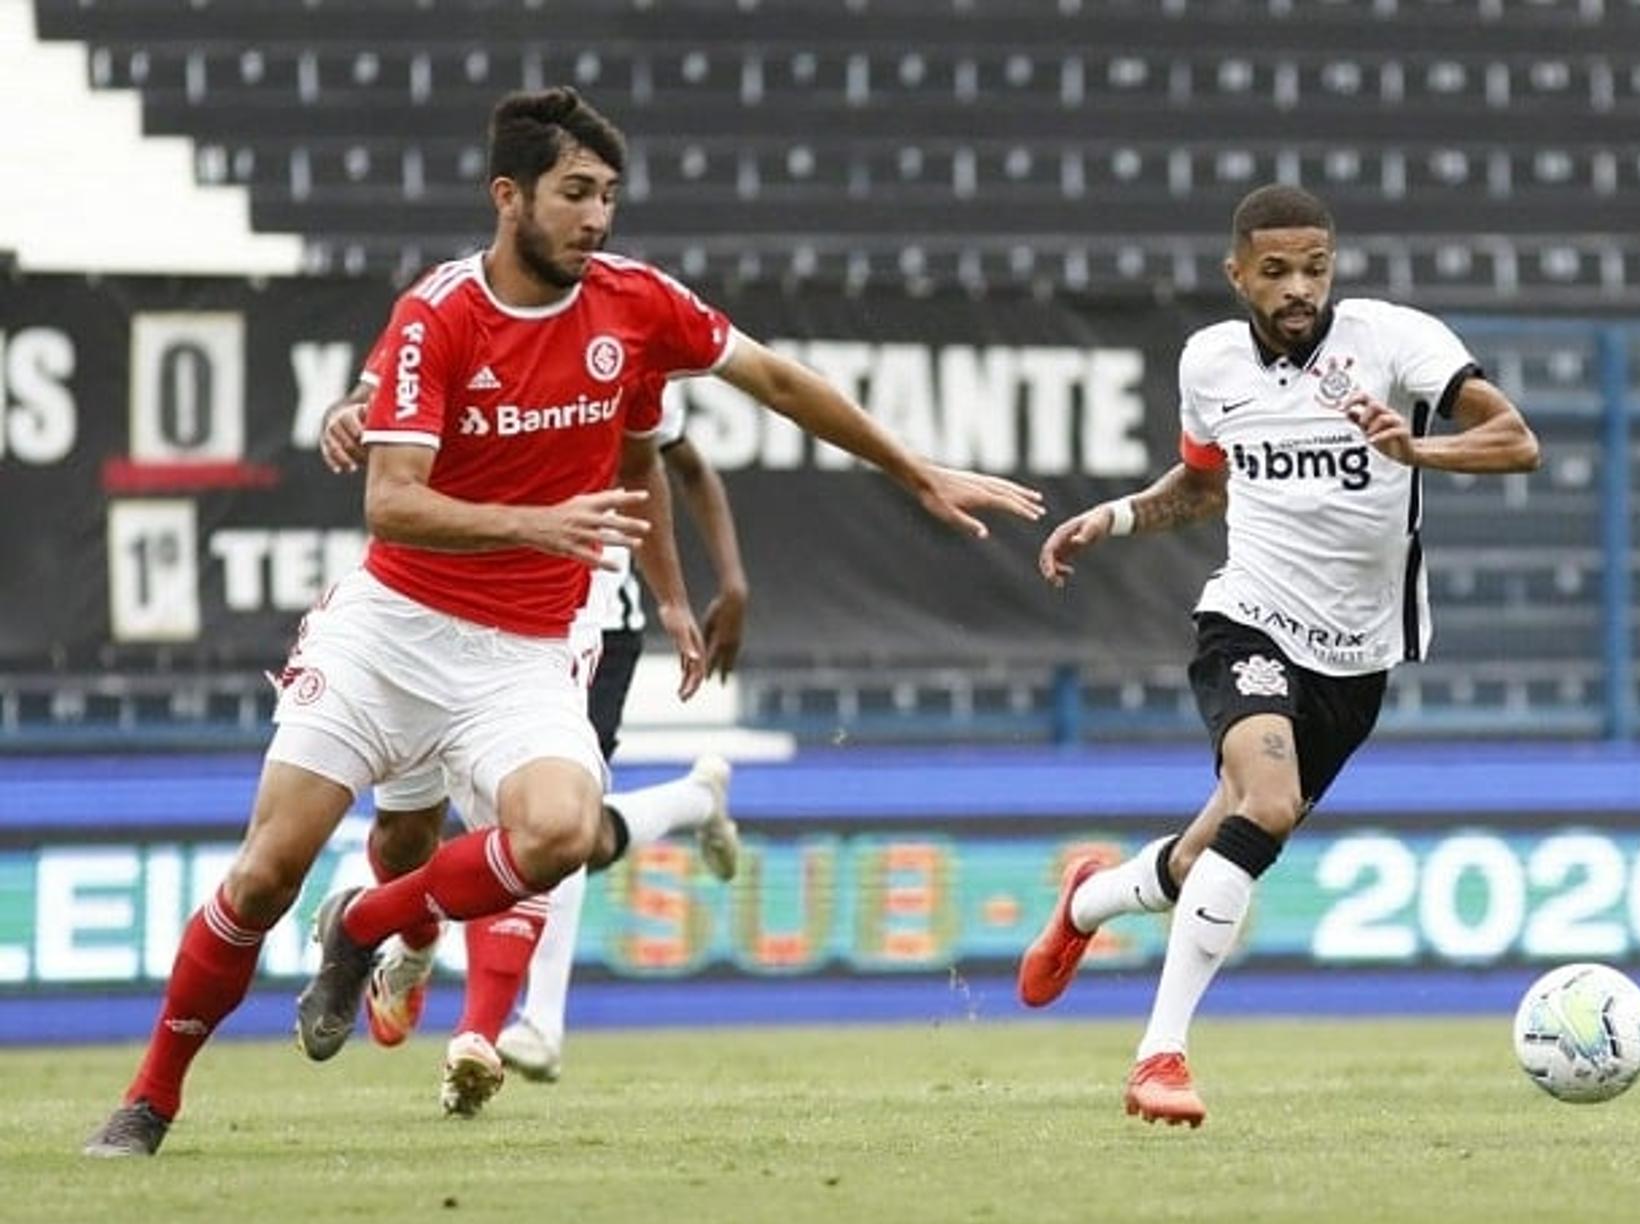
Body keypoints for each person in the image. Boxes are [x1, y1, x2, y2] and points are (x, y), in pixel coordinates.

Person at [83, 85, 1042, 1157]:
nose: (597, 217)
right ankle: (150, 1098)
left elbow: (776, 379)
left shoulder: (636, 303)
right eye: (575, 193)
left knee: (561, 832)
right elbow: (390, 500)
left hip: (523, 652)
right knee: (264, 874)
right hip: (390, 634)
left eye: (608, 196)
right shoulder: (439, 313)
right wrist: (534, 521)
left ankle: (363, 925)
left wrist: (914, 473)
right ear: (509, 196)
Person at [1016, 184, 1539, 1128]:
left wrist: (1419, 451)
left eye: (1315, 268)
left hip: (1360, 653)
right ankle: (1159, 1055)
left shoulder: (1392, 341)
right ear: (1237, 275)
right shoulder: (1210, 361)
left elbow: (1516, 440)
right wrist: (1120, 514)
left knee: (1215, 842)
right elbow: (1204, 483)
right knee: (1267, 803)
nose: (1299, 287)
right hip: (1249, 617)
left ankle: (1090, 900)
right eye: (1276, 271)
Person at [320, 373, 747, 1113]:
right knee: (406, 834)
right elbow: (362, 406)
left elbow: (672, 463)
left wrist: (711, 588)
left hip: (582, 621)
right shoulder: (447, 313)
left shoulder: (623, 333)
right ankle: (415, 946)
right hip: (433, 614)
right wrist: (344, 417)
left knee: (537, 825)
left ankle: (506, 1028)